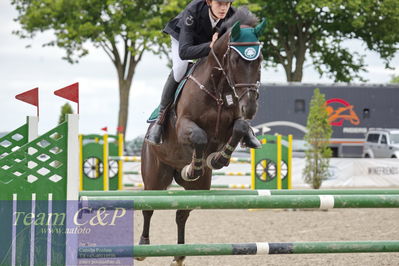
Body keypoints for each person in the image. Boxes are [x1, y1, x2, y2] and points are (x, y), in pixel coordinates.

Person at [146, 0, 261, 149]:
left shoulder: (232, 15)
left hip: (211, 43)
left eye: (227, 4)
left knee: (228, 70)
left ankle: (244, 125)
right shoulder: (192, 12)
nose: (224, 8)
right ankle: (160, 120)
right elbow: (185, 51)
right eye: (219, 4)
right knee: (180, 69)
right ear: (209, 2)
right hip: (184, 41)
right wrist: (211, 46)